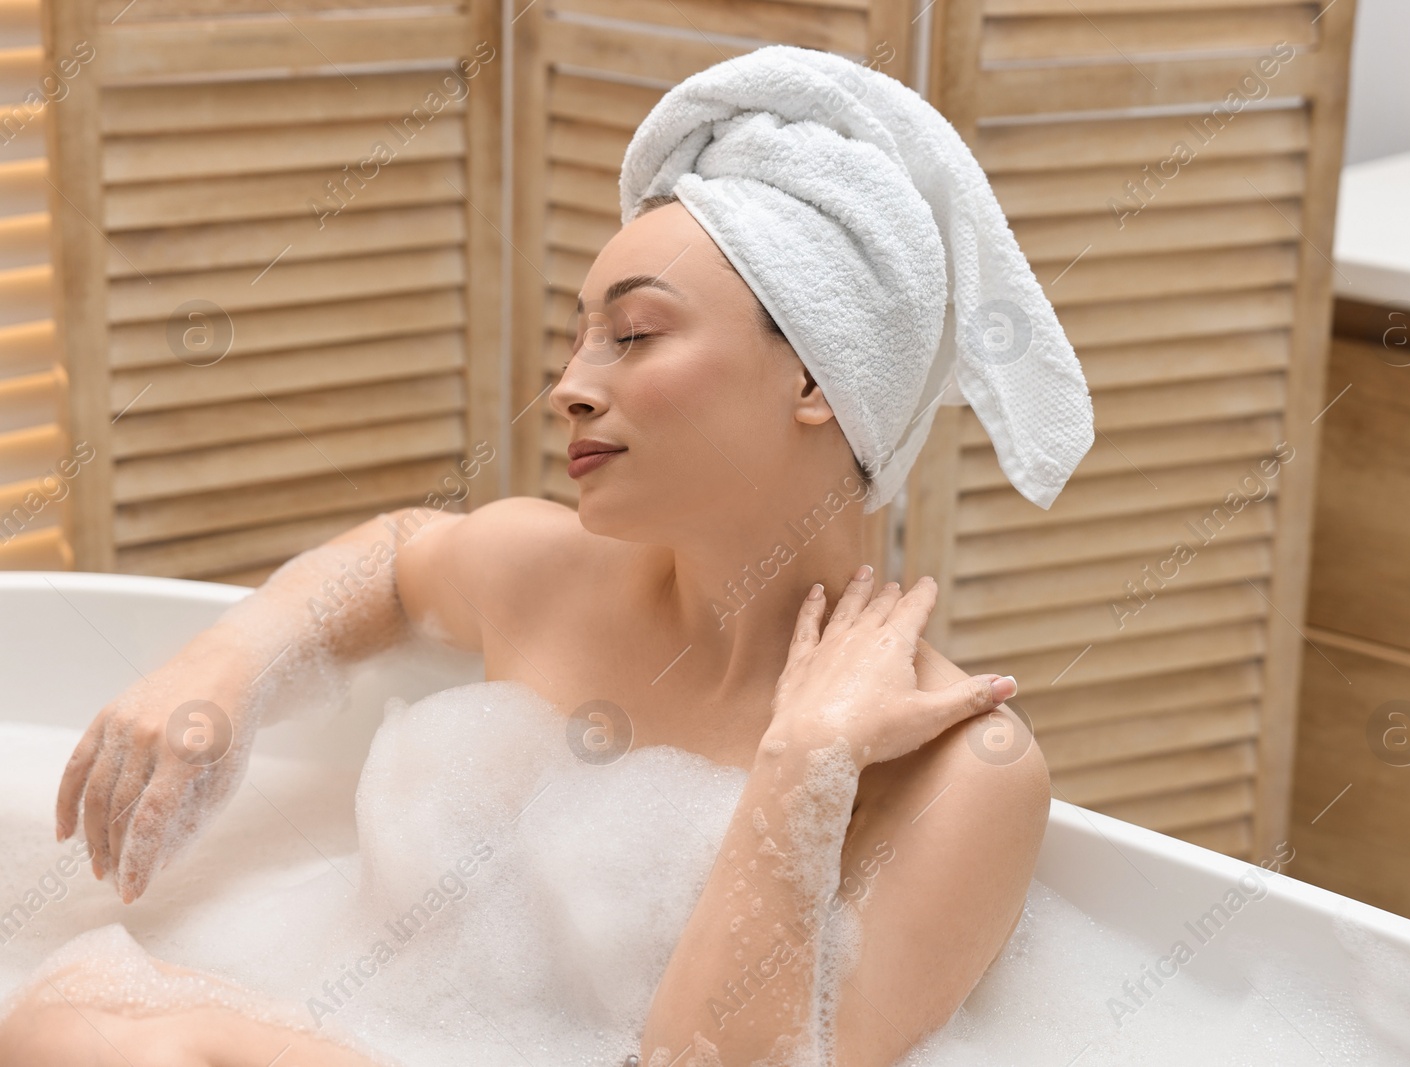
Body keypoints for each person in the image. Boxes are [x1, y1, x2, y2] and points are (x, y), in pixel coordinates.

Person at [2, 192, 1050, 1067]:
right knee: (77, 1022)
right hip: (380, 1012)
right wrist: (220, 668)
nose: (570, 388)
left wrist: (803, 769)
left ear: (818, 377)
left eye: (632, 334)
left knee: (85, 1035)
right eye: (580, 338)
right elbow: (396, 554)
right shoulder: (551, 573)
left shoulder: (960, 771)